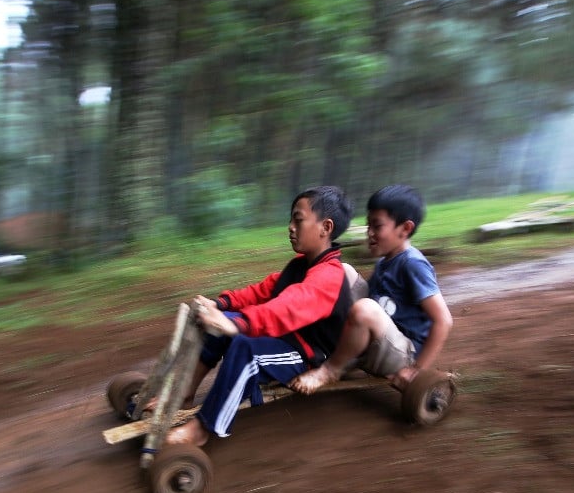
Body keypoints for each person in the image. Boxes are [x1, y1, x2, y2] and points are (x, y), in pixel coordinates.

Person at [163, 185, 356, 446]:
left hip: (307, 355)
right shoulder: (301, 265)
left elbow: (287, 307)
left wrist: (240, 324)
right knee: (223, 325)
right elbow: (263, 292)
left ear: (326, 227)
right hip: (288, 338)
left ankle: (203, 428)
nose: (290, 226)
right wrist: (220, 306)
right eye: (291, 220)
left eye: (298, 220)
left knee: (246, 350)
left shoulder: (328, 276)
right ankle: (185, 394)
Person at [290, 184, 453, 395]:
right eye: (369, 226)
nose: (370, 233)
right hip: (380, 340)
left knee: (365, 309)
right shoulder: (385, 262)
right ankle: (314, 337)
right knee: (342, 272)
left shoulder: (413, 264)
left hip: (403, 353)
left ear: (405, 229)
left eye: (377, 226)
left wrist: (415, 370)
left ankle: (330, 370)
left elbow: (443, 320)